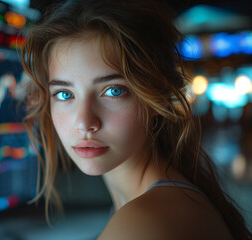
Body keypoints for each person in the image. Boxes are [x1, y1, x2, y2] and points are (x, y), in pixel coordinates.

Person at [20, 0, 252, 239]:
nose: (84, 122)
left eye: (113, 91)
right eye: (64, 94)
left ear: (157, 97)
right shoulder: (152, 202)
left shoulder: (145, 222)